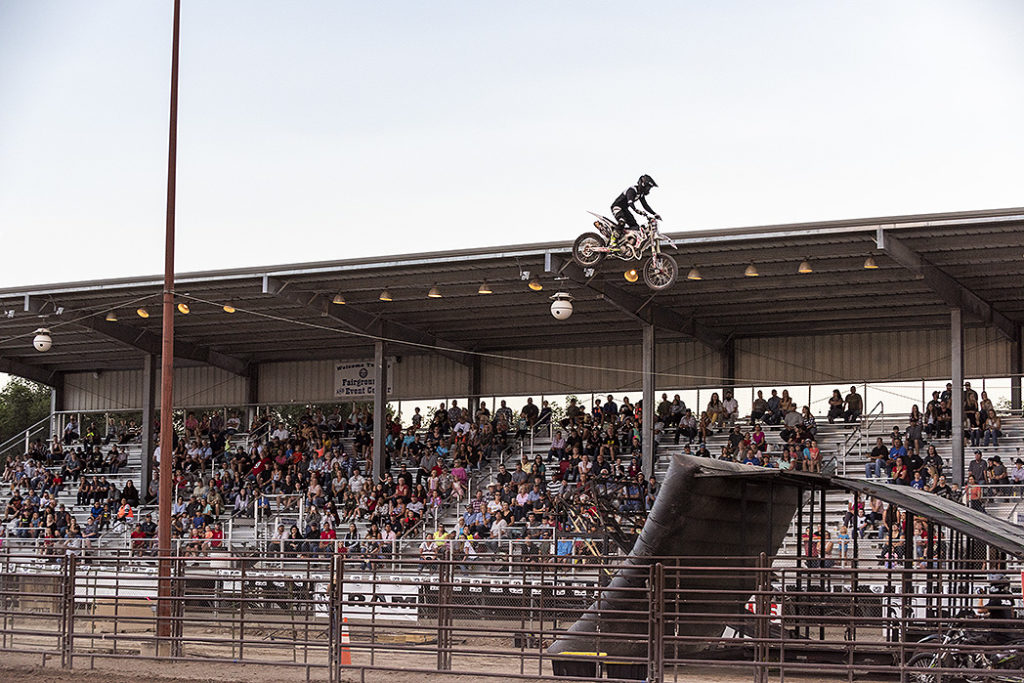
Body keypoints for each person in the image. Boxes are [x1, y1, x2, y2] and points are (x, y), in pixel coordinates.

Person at [609, 174, 659, 246]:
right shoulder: (632, 190)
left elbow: (645, 205)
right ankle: (612, 241)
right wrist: (636, 210)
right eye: (648, 187)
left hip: (624, 209)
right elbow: (630, 202)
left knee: (635, 227)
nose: (648, 190)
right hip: (617, 207)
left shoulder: (640, 194)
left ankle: (626, 242)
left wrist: (654, 214)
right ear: (642, 184)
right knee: (622, 221)